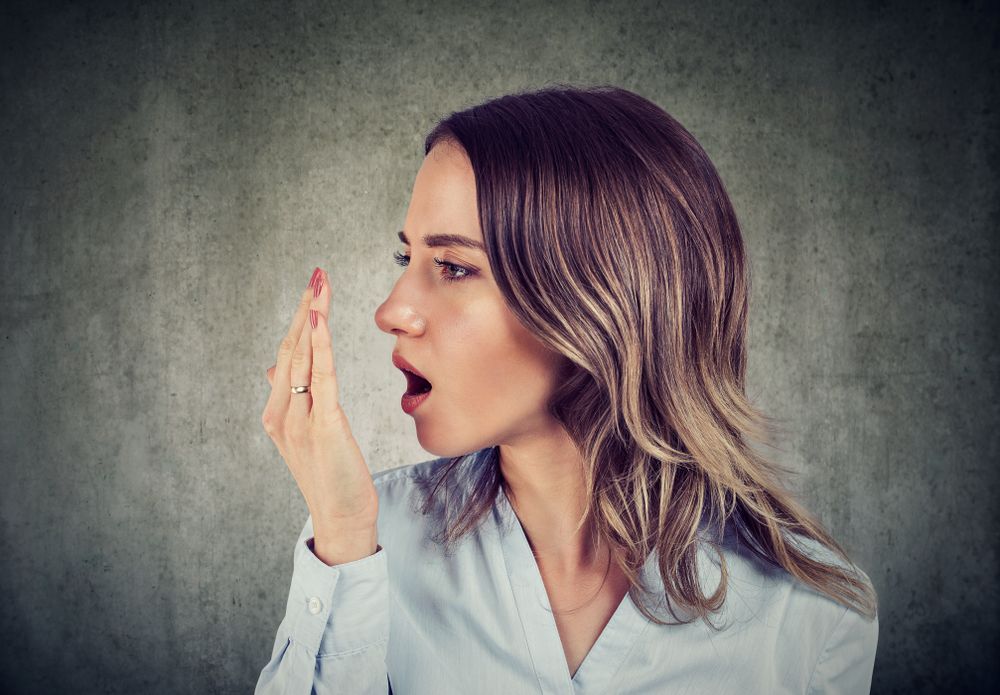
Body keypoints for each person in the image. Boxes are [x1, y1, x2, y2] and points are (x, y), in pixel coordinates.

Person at [254, 84, 879, 694]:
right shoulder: (367, 544)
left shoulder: (806, 613)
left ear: (597, 299)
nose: (391, 311)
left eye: (453, 267)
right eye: (407, 261)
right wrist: (340, 537)